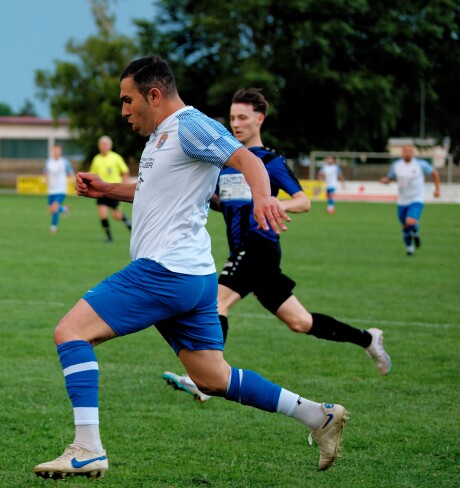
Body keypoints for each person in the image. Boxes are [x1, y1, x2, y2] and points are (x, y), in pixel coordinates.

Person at [32, 55, 348, 480]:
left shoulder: (190, 125)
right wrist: (107, 188)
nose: (124, 111)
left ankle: (87, 448)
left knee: (70, 332)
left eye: (128, 101)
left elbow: (249, 161)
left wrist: (262, 199)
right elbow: (154, 192)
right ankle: (317, 416)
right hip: (193, 276)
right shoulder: (163, 136)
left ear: (154, 94)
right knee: (212, 378)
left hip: (165, 270)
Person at [162, 88, 391, 404]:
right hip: (243, 251)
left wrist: (275, 205)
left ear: (260, 119)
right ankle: (368, 338)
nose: (236, 124)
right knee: (300, 322)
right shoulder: (225, 164)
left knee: (217, 304)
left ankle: (205, 381)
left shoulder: (270, 161)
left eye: (243, 117)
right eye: (232, 118)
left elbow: (304, 200)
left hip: (260, 246)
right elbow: (224, 204)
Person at [380, 144, 441, 256]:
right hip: (402, 200)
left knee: (410, 221)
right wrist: (386, 180)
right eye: (405, 151)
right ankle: (410, 248)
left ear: (413, 153)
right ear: (402, 153)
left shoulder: (420, 164)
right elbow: (390, 177)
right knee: (404, 226)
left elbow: (434, 173)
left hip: (416, 198)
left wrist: (437, 189)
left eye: (410, 151)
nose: (407, 153)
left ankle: (416, 232)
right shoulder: (396, 165)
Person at [87, 136, 132, 242]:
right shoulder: (96, 159)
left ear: (110, 146)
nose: (104, 146)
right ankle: (109, 237)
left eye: (106, 144)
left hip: (114, 190)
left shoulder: (116, 157)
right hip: (101, 192)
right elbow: (92, 173)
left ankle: (132, 229)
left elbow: (125, 171)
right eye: (102, 144)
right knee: (102, 214)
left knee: (117, 215)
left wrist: (124, 183)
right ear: (99, 146)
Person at [43, 143, 73, 233]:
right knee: (50, 210)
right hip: (51, 189)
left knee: (54, 208)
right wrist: (44, 179)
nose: (56, 151)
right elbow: (46, 173)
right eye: (55, 150)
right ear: (52, 151)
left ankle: (53, 228)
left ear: (61, 151)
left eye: (58, 150)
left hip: (61, 189)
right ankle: (64, 209)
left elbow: (71, 172)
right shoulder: (48, 162)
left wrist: (71, 179)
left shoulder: (65, 162)